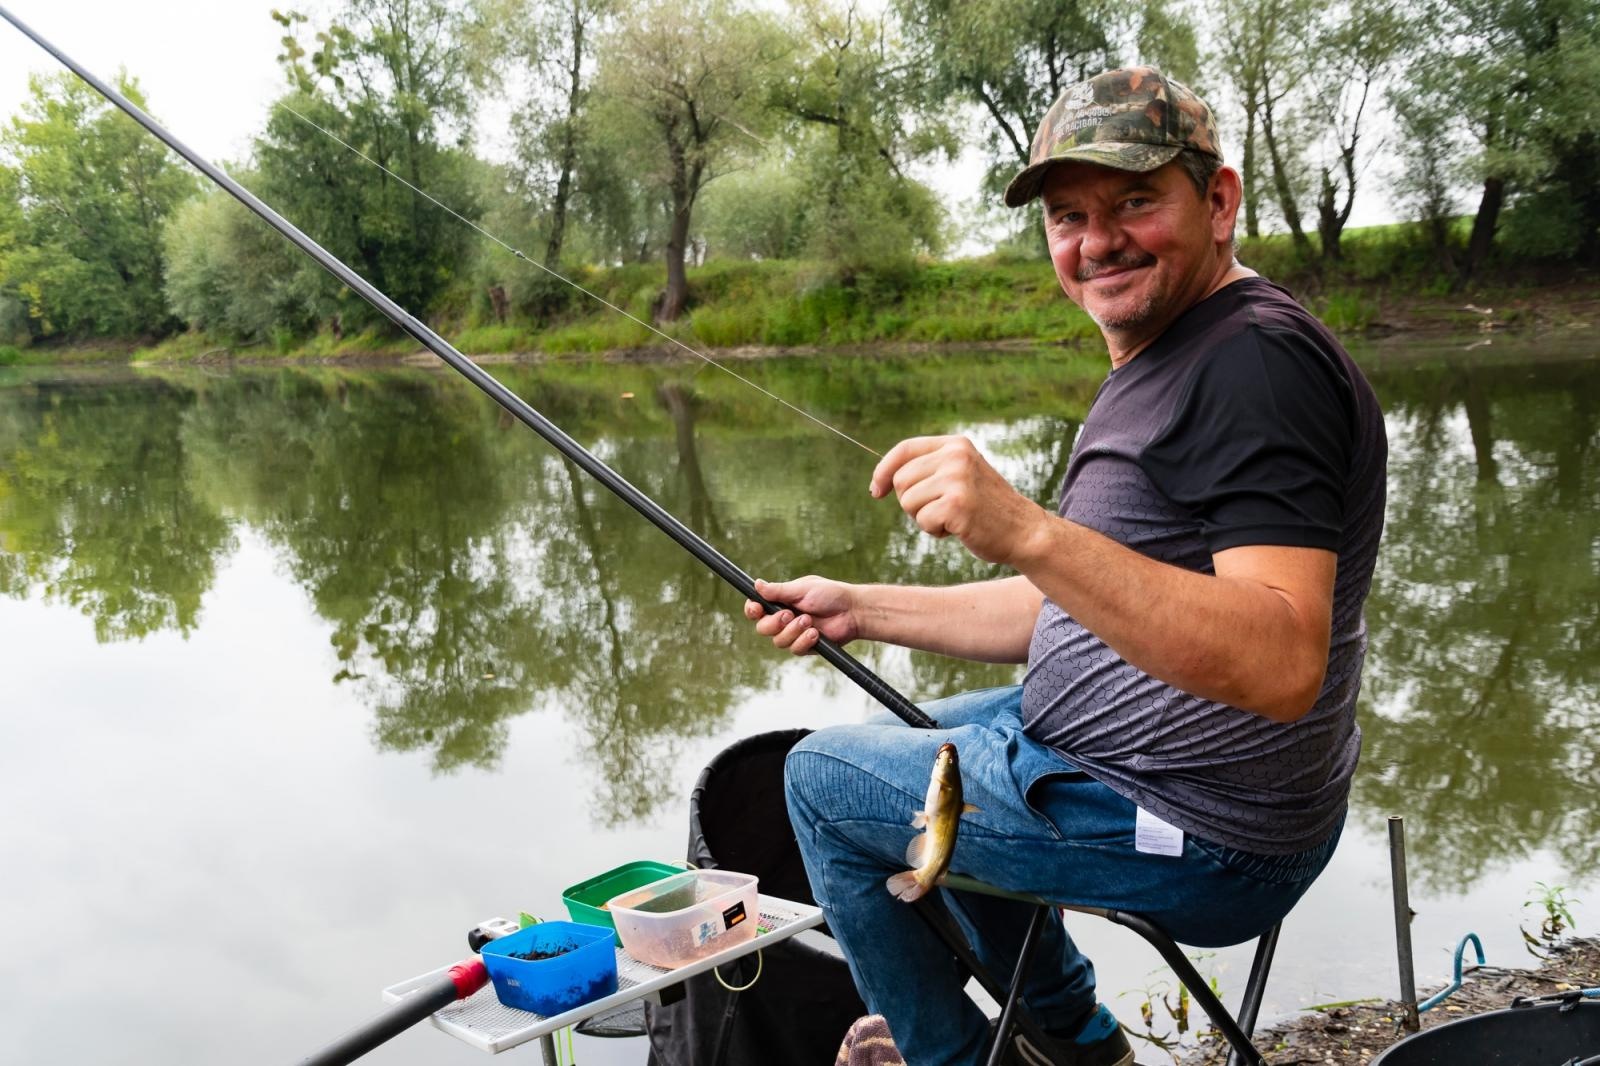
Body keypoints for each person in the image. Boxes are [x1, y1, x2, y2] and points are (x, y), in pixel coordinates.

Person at [742, 67, 1388, 1066]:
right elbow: (1078, 603)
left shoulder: (1254, 365)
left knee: (822, 779)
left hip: (1207, 828)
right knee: (898, 752)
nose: (1095, 242)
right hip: (1115, 767)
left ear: (1218, 203)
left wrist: (1026, 527)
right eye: (1066, 216)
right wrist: (859, 606)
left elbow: (1281, 657)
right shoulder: (1183, 348)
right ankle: (1080, 1046)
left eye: (1135, 201)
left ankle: (952, 1057)